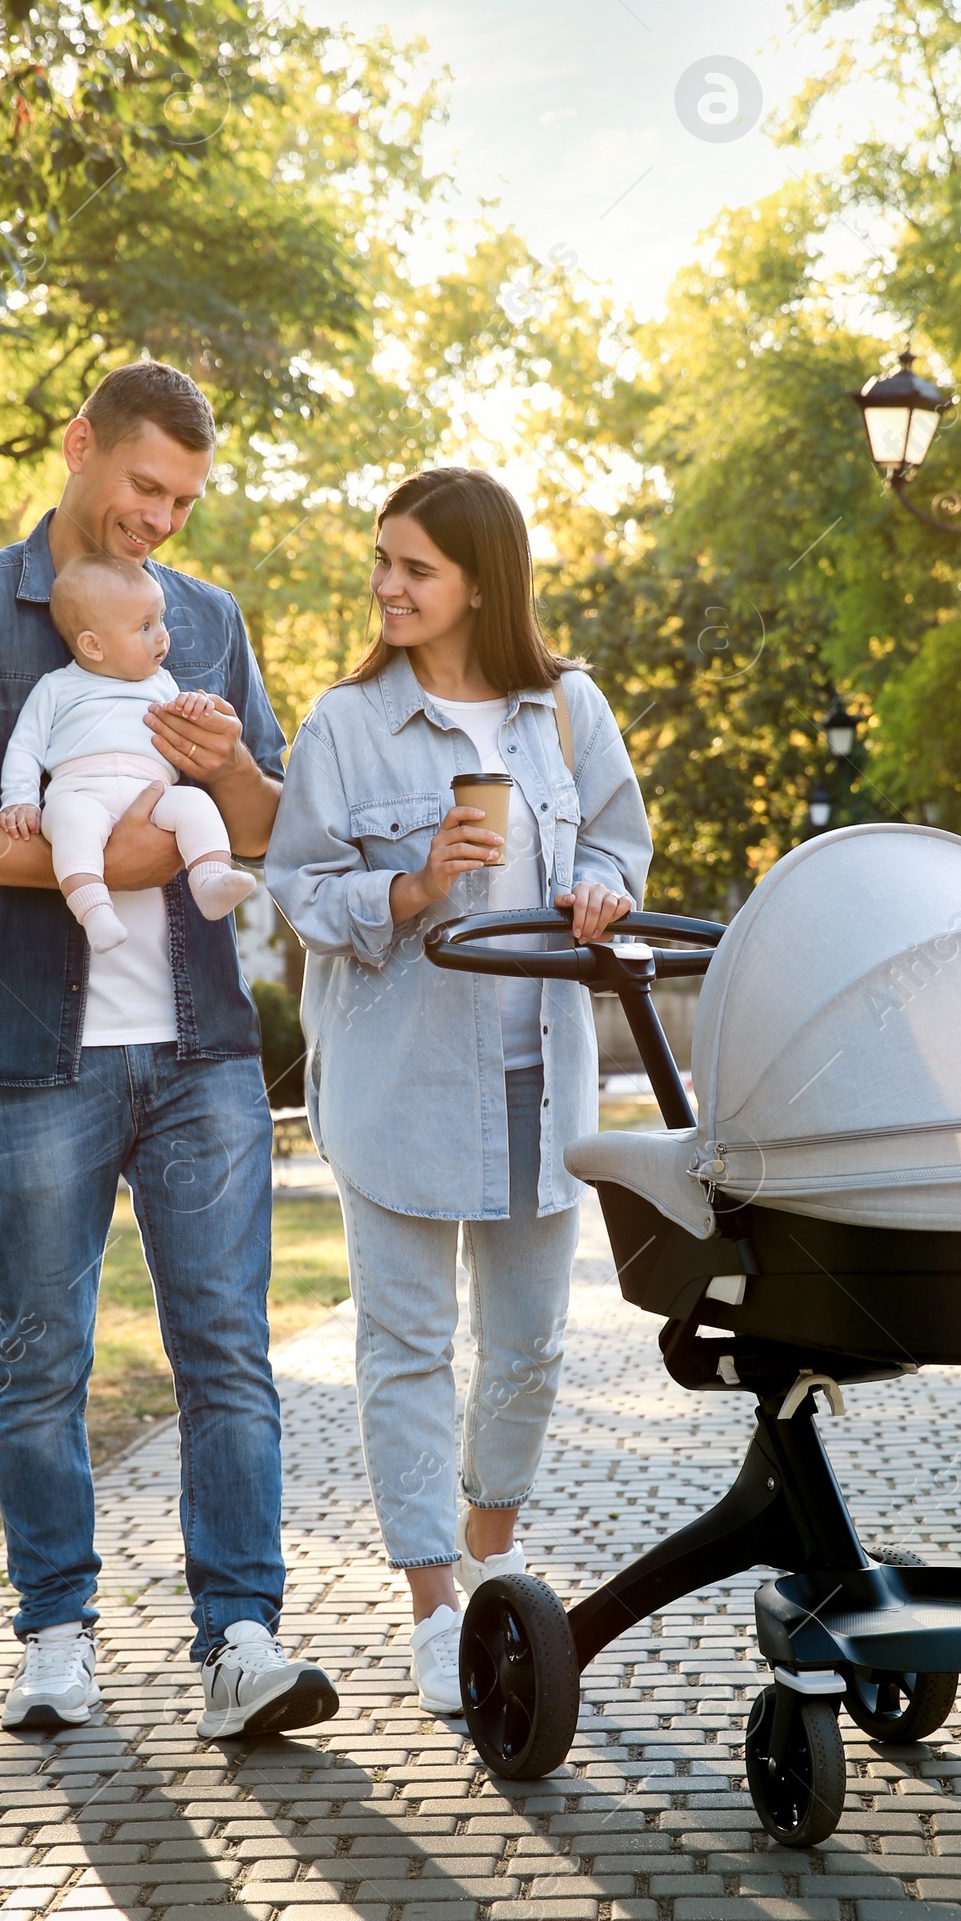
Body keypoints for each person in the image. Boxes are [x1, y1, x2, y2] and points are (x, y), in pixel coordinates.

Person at [0, 359, 338, 1743]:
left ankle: (241, 1641)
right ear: (80, 446)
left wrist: (225, 776)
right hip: (30, 1054)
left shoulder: (207, 618)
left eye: (186, 500)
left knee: (229, 1354)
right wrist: (122, 852)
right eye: (145, 487)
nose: (162, 522)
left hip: (200, 1053)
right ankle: (56, 1636)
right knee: (41, 1357)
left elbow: (263, 819)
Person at [265, 466, 651, 1713]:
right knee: (408, 1347)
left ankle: (496, 1551)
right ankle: (436, 1606)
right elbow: (301, 890)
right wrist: (417, 886)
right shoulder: (344, 726)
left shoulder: (567, 708)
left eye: (414, 568)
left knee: (531, 1344)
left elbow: (616, 839)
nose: (386, 586)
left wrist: (601, 888)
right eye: (380, 561)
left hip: (542, 1076)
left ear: (481, 581)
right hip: (399, 1080)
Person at [0, 552, 256, 951]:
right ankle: (94, 911)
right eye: (145, 626)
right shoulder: (56, 687)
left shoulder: (164, 683)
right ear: (93, 645)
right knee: (70, 825)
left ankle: (210, 880)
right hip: (81, 793)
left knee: (195, 803)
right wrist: (20, 800)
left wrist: (198, 707)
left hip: (152, 796)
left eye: (162, 619)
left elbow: (187, 722)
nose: (162, 636)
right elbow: (25, 748)